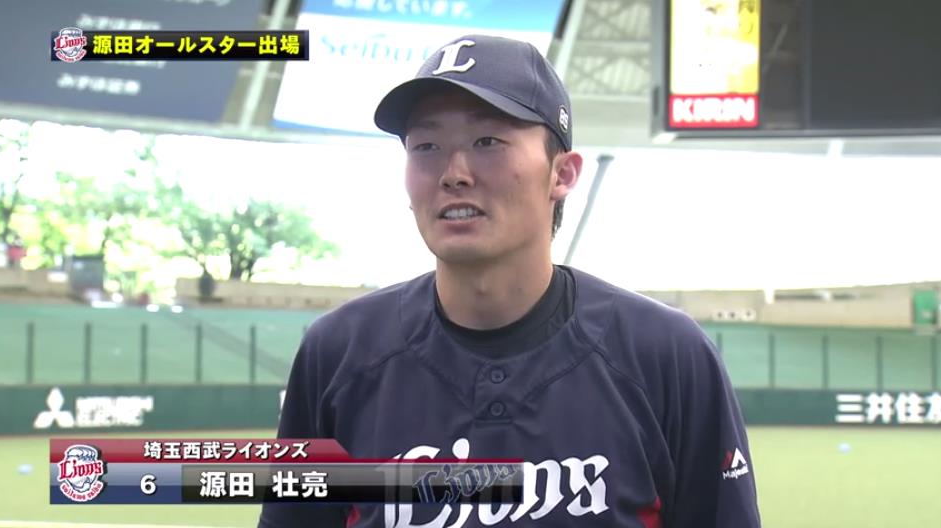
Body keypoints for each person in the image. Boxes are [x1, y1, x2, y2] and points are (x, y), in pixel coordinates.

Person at [259, 34, 761, 528]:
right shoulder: (338, 353)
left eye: (487, 142)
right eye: (426, 146)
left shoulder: (665, 353)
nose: (453, 173)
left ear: (562, 174)